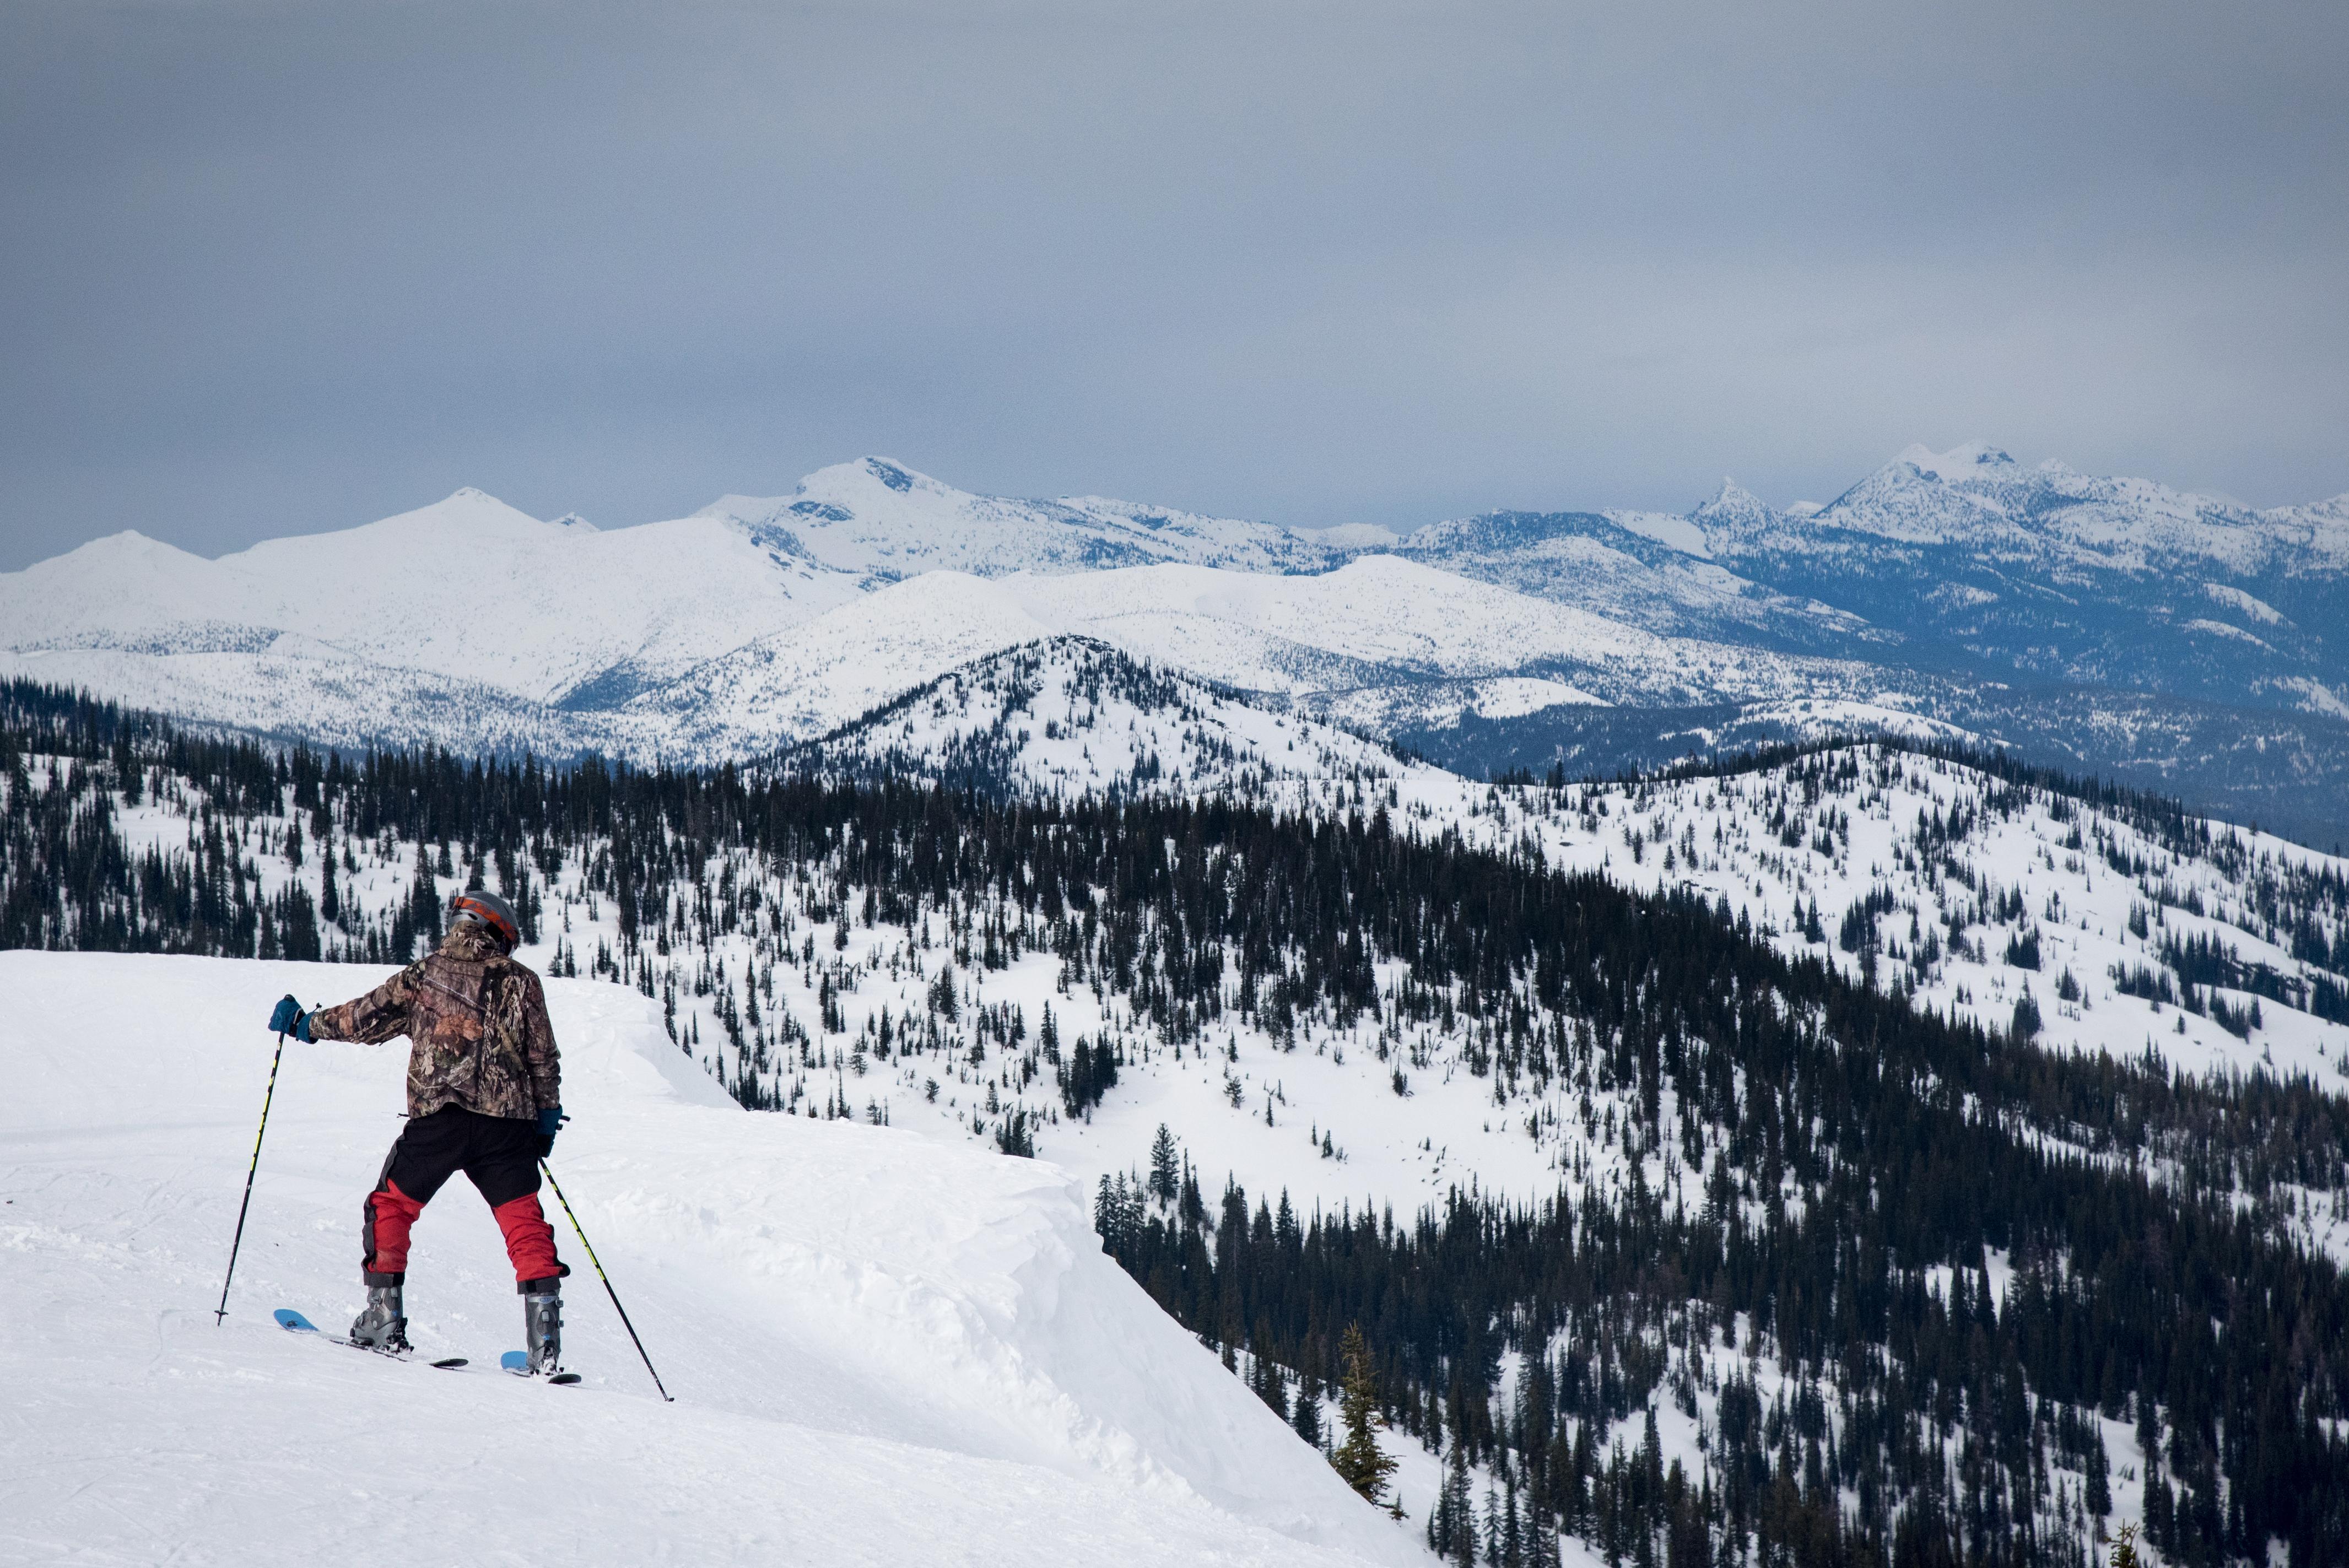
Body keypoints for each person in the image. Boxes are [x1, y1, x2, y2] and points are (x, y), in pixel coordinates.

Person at [268, 889, 570, 1372]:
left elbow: (362, 1018)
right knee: (524, 1223)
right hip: (508, 1127)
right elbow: (542, 1058)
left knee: (392, 1205)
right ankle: (545, 1347)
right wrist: (546, 1120)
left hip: (440, 1120)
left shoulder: (425, 975)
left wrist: (306, 1026)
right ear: (499, 934)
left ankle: (383, 1320)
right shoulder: (523, 982)